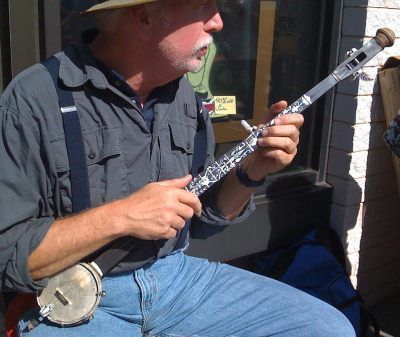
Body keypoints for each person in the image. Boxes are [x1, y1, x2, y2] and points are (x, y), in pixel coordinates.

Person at [0, 0, 355, 336]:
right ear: (145, 17)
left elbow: (204, 218)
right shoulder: (36, 98)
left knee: (328, 327)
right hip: (76, 292)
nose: (218, 21)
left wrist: (253, 169)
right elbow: (7, 254)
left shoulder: (185, 96)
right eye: (203, 5)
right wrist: (121, 216)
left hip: (176, 278)